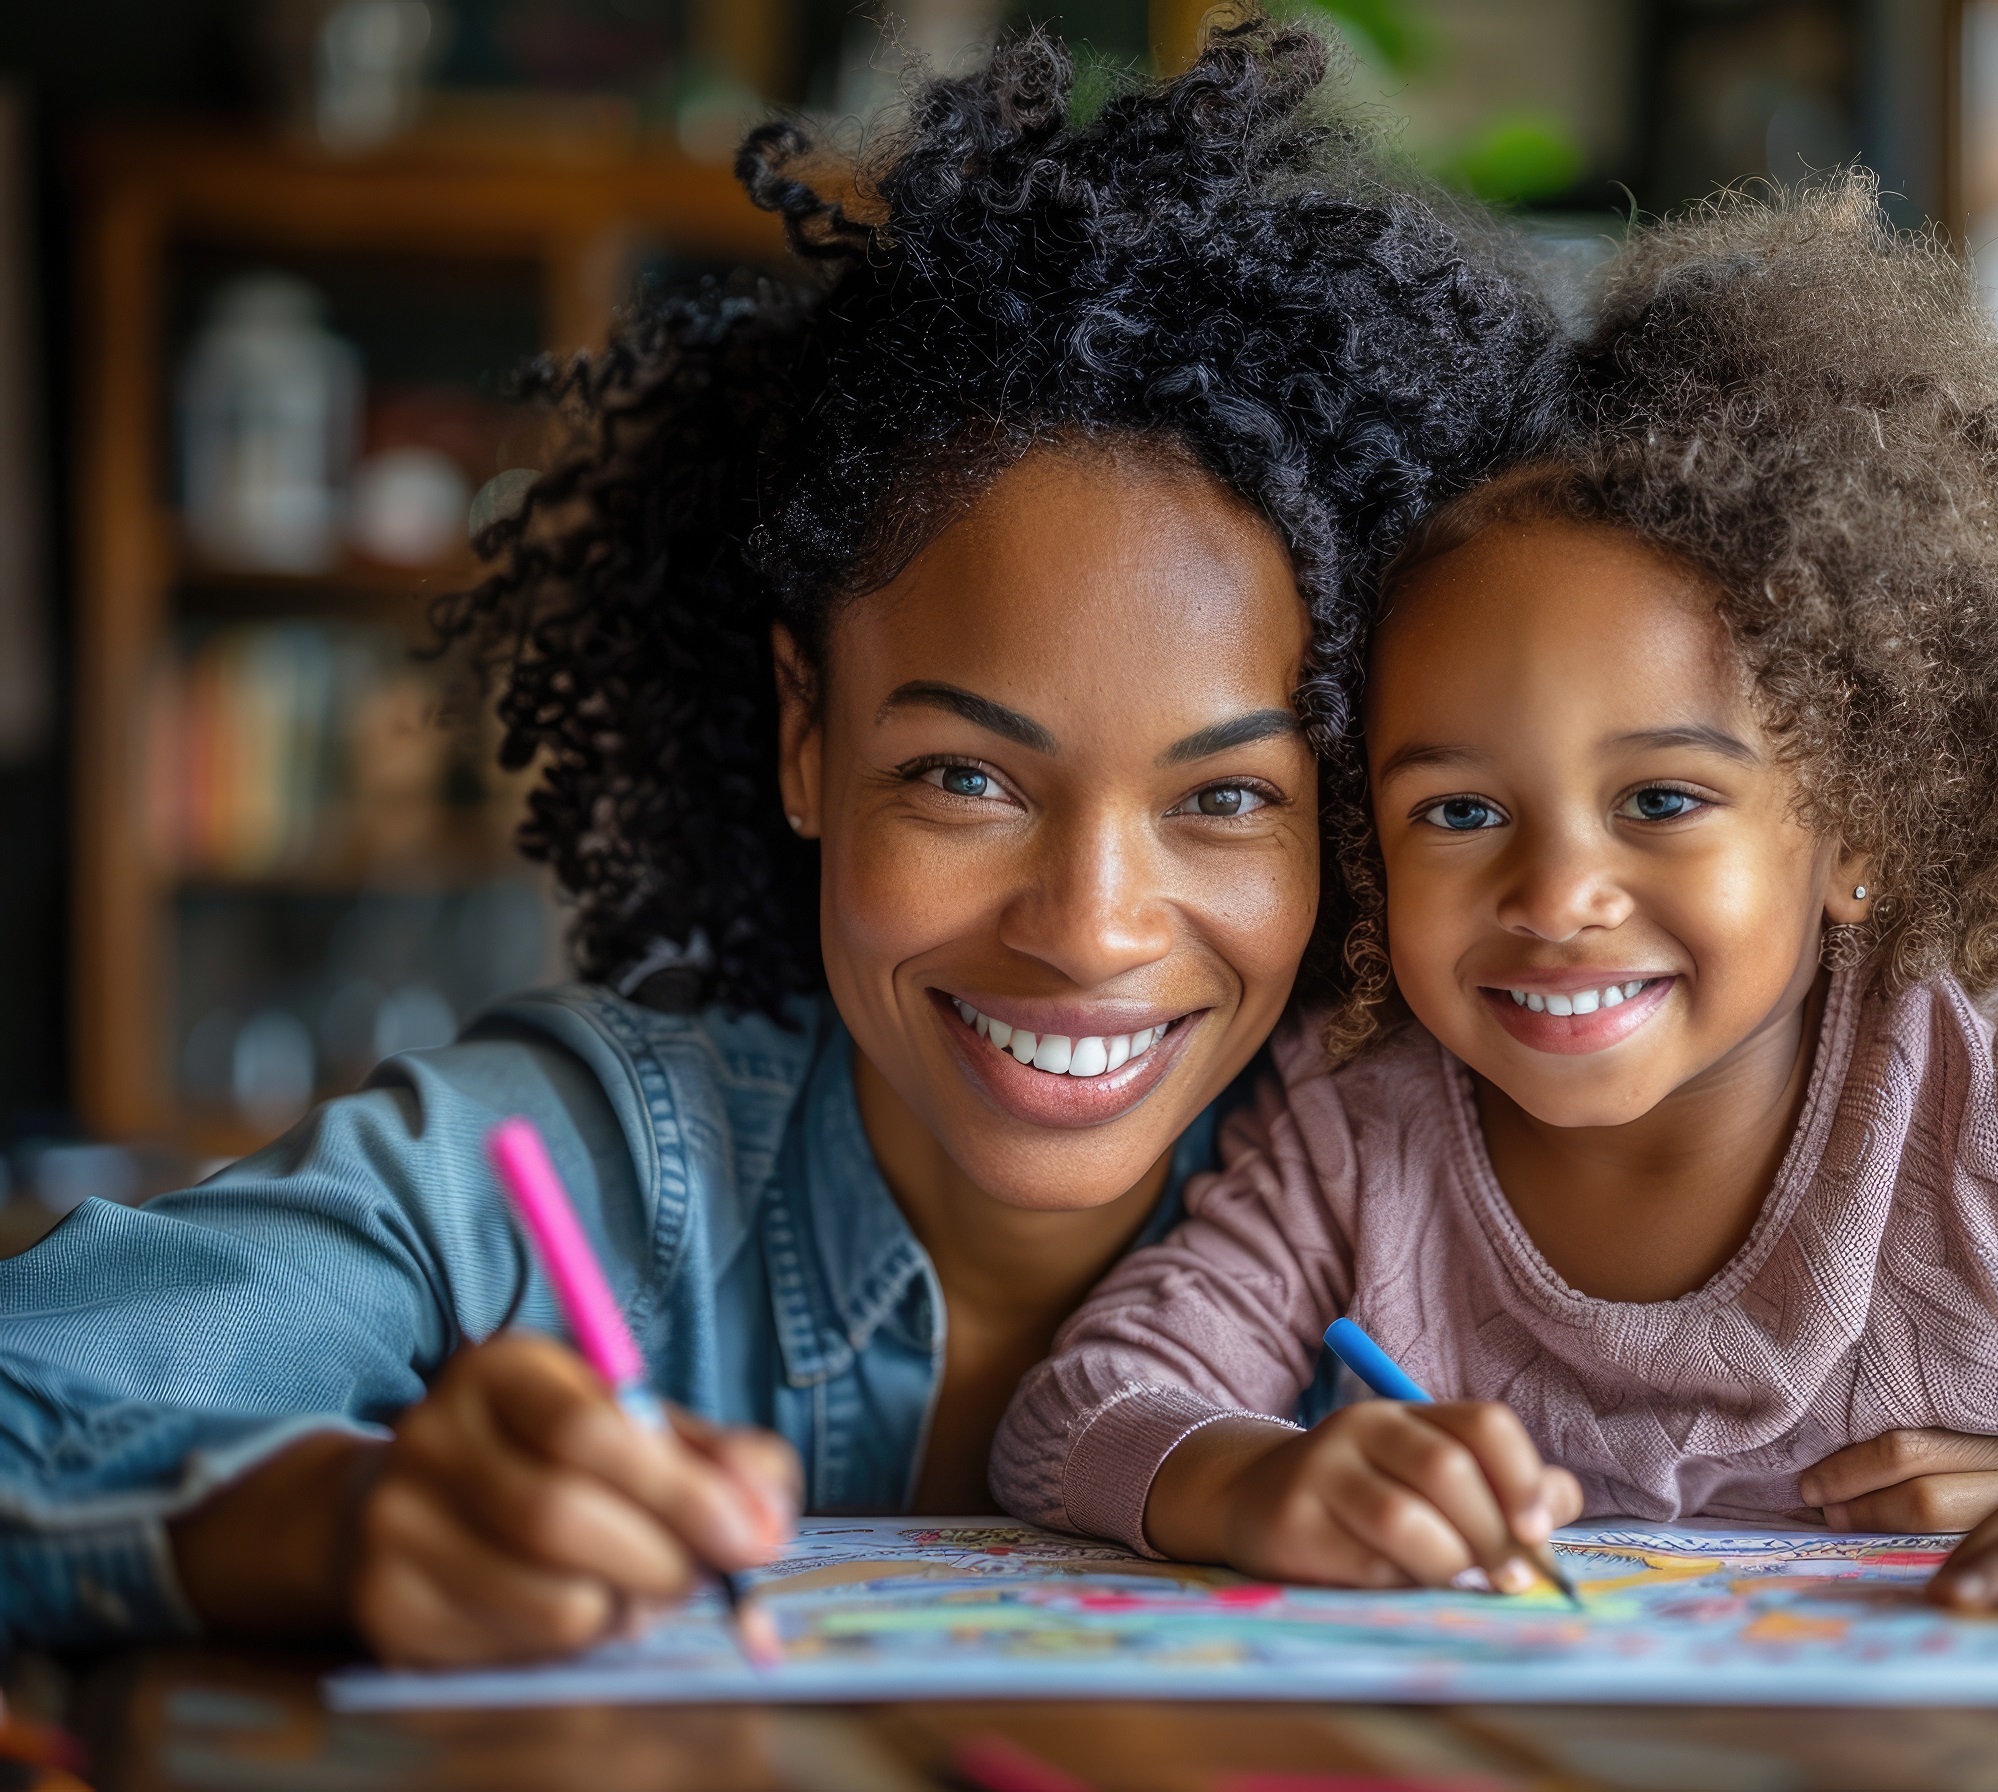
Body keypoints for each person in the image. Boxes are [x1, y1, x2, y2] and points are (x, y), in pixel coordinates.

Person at [0, 22, 1563, 1662]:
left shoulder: (1440, 1180)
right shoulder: (581, 1175)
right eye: (967, 778)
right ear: (808, 737)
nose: (1093, 927)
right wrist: (320, 1522)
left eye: (1228, 798)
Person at [993, 177, 1998, 1613]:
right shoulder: (1357, 1120)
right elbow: (1081, 1414)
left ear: (1856, 820)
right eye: (1459, 809)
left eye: (1662, 799)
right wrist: (1255, 1483)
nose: (1558, 890)